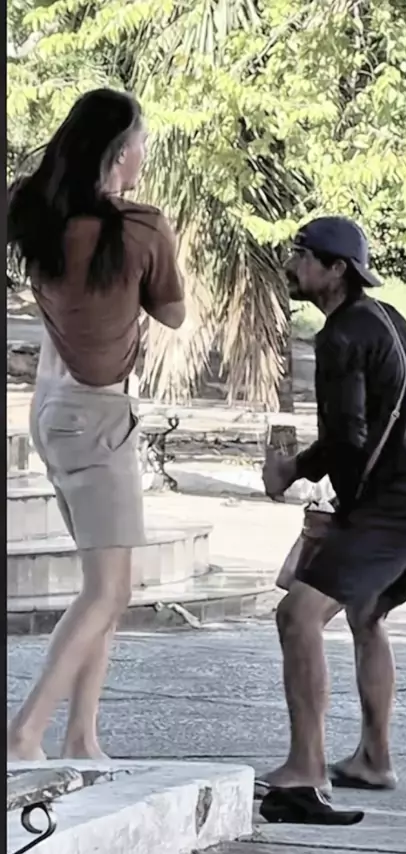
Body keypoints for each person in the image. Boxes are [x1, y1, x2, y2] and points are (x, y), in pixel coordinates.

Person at [260, 216, 406, 820]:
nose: (292, 265)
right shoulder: (388, 319)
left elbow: (346, 439)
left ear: (336, 269)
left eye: (303, 256)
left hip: (397, 509)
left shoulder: (341, 336)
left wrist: (290, 471)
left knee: (298, 616)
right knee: (366, 614)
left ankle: (305, 767)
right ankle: (374, 758)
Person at [7, 88, 185, 760]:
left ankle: (82, 737)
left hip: (51, 408)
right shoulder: (142, 228)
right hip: (99, 416)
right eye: (141, 142)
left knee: (102, 586)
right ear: (118, 153)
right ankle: (25, 733)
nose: (144, 154)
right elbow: (173, 314)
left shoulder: (33, 209)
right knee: (110, 592)